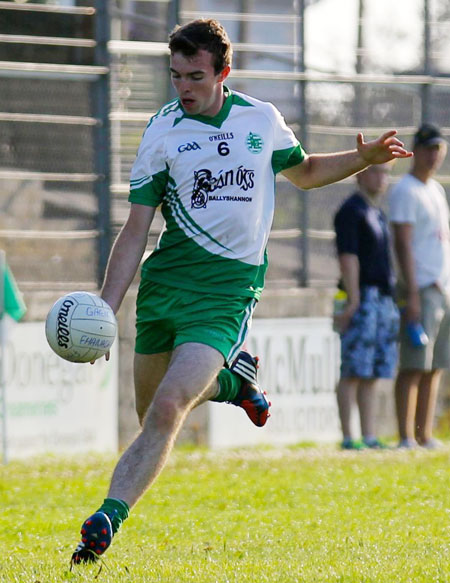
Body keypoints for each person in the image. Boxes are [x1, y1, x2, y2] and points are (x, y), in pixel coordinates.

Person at [70, 18, 412, 564]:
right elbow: (136, 228)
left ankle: (106, 520)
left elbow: (302, 172)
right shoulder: (162, 130)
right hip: (164, 288)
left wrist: (363, 159)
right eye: (176, 75)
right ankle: (234, 384)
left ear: (223, 72)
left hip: (226, 294)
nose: (184, 87)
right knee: (152, 414)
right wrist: (106, 309)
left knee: (169, 406)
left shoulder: (261, 119)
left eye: (196, 76)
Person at [389, 123, 449, 449]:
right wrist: (410, 291)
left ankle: (425, 434)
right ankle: (405, 436)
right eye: (428, 149)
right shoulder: (405, 190)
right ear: (417, 151)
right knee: (413, 364)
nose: (434, 156)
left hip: (441, 286)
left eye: (438, 149)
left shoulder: (436, 190)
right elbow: (403, 244)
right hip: (419, 287)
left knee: (435, 365)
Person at [333, 164, 400, 450]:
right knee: (353, 369)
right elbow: (348, 256)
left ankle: (369, 434)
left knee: (371, 371)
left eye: (385, 172)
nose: (380, 177)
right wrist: (354, 297)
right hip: (361, 297)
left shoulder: (376, 212)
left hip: (382, 298)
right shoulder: (352, 211)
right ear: (359, 174)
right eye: (374, 171)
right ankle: (349, 436)